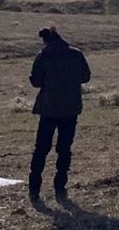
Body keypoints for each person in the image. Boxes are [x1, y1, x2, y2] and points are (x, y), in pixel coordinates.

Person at [27, 26, 91, 200]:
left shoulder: (44, 55)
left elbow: (36, 82)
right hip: (70, 109)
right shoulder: (76, 54)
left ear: (46, 40)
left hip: (48, 109)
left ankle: (34, 187)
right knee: (64, 148)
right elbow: (86, 77)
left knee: (41, 148)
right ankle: (60, 185)